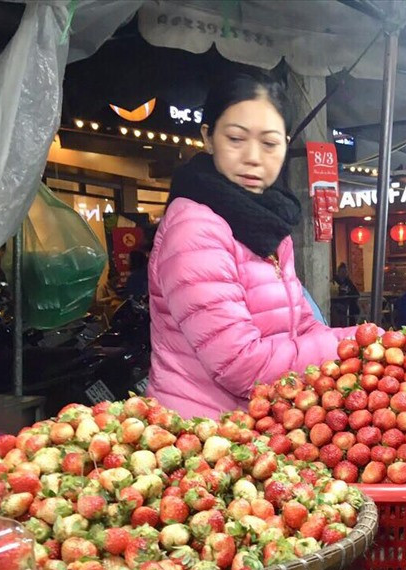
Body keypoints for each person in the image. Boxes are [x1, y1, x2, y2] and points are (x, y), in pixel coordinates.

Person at [146, 72, 354, 419]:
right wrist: (353, 343)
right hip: (204, 435)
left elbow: (302, 324)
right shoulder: (195, 228)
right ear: (208, 137)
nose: (253, 157)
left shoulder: (269, 225)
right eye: (236, 139)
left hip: (257, 425)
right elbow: (240, 364)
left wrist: (363, 343)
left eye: (270, 143)